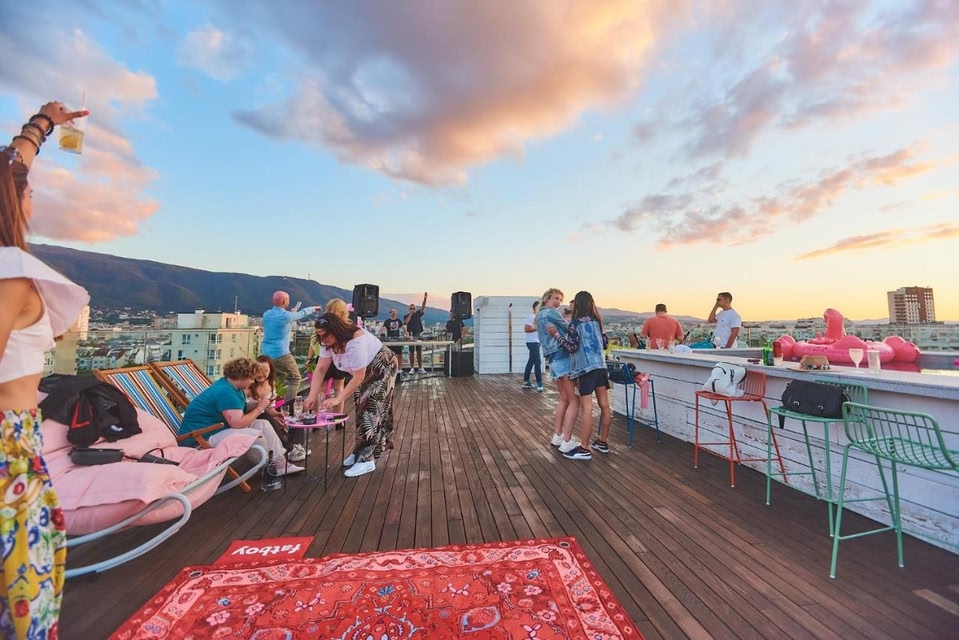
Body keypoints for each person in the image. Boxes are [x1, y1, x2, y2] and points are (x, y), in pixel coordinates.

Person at [1, 101, 90, 639]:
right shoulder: (9, 277)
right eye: (25, 189)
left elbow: (12, 165)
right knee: (24, 601)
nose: (31, 193)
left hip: (20, 442)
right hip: (7, 450)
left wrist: (43, 123)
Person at [305, 313, 399, 478]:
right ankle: (360, 451)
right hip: (363, 370)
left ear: (335, 330)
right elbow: (320, 368)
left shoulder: (355, 341)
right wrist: (311, 395)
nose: (323, 339)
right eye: (319, 335)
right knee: (360, 407)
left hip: (382, 365)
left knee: (370, 408)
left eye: (325, 335)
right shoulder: (327, 342)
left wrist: (338, 398)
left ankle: (367, 459)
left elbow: (358, 377)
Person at [179, 357, 304, 475]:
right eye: (251, 378)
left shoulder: (230, 386)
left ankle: (279, 463)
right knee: (253, 435)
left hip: (215, 431)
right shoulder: (226, 392)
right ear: (241, 376)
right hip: (200, 439)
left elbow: (238, 409)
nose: (252, 382)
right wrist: (260, 408)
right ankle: (267, 465)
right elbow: (238, 424)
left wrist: (258, 404)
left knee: (263, 424)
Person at [548, 291, 611, 460]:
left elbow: (572, 347)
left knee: (587, 408)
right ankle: (603, 442)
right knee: (605, 405)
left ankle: (584, 448)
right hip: (601, 367)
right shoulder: (598, 321)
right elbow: (605, 343)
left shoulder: (575, 323)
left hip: (585, 370)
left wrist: (556, 335)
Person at [536, 289, 579, 454]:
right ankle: (567, 441)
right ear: (547, 298)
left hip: (552, 359)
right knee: (574, 400)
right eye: (556, 298)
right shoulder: (551, 313)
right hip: (562, 357)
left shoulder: (539, 315)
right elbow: (569, 329)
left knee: (563, 399)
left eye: (560, 299)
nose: (558, 302)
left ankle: (558, 435)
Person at [261, 291, 316, 404]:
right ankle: (288, 407)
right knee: (295, 378)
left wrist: (291, 314)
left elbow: (283, 319)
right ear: (284, 301)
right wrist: (313, 308)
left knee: (272, 380)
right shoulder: (286, 316)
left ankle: (267, 405)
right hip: (281, 353)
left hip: (265, 354)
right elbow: (301, 314)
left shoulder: (267, 314)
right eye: (287, 300)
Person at [251, 356, 308, 462]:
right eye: (258, 370)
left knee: (295, 404)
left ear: (270, 371)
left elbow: (269, 408)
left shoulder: (270, 384)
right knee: (266, 416)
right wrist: (272, 417)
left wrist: (277, 414)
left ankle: (296, 444)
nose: (261, 374)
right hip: (254, 416)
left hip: (266, 413)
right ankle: (288, 447)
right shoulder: (249, 386)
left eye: (265, 370)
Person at [306, 299, 351, 415]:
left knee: (320, 389)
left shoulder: (323, 324)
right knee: (339, 389)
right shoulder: (345, 327)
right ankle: (338, 417)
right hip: (339, 359)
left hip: (324, 358)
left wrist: (309, 359)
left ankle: (317, 415)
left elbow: (313, 342)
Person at [403, 292, 429, 374]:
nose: (412, 310)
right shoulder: (406, 316)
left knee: (419, 352)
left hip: (418, 334)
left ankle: (420, 368)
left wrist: (425, 299)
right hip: (411, 335)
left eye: (413, 308)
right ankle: (412, 368)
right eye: (411, 308)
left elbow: (423, 307)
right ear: (409, 309)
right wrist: (410, 315)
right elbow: (406, 322)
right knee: (411, 352)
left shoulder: (418, 314)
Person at [522, 300, 543, 392]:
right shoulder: (532, 316)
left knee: (531, 361)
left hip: (536, 342)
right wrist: (538, 327)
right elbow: (526, 329)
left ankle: (526, 382)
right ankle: (540, 384)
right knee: (538, 362)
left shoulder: (538, 318)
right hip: (532, 342)